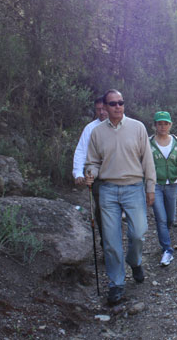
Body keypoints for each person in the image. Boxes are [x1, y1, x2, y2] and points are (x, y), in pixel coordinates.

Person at [85, 89, 157, 305]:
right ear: (104, 107)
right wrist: (90, 173)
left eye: (121, 103)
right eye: (113, 104)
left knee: (138, 233)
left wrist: (150, 187)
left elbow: (148, 160)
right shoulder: (97, 133)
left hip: (134, 187)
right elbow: (93, 161)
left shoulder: (138, 128)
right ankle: (116, 283)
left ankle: (134, 261)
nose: (117, 106)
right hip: (107, 189)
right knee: (111, 241)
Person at [150, 111, 177, 267]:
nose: (163, 126)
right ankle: (167, 249)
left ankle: (164, 237)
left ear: (170, 125)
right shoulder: (149, 142)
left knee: (170, 218)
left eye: (166, 123)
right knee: (161, 218)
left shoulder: (176, 141)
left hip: (172, 183)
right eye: (160, 123)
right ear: (155, 125)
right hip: (155, 185)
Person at [73, 96, 108, 246]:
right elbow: (81, 151)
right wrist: (78, 173)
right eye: (98, 110)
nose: (101, 112)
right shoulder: (90, 128)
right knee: (100, 210)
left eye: (104, 109)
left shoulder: (121, 125)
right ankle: (106, 246)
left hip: (118, 175)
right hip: (97, 176)